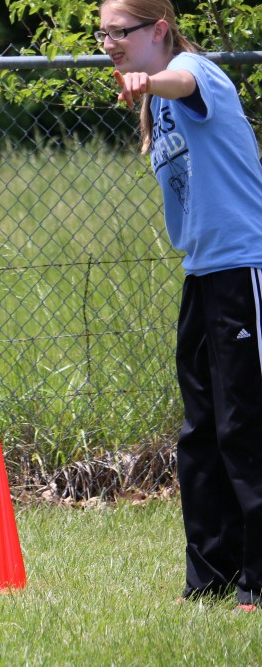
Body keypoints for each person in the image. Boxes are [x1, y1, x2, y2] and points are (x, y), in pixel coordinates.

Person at [102, 0, 262, 611]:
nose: (110, 44)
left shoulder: (196, 73)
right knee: (201, 432)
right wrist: (147, 90)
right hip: (202, 273)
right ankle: (210, 579)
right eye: (103, 34)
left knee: (244, 424)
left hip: (242, 267)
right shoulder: (157, 101)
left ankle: (256, 579)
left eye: (121, 32)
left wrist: (149, 82)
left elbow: (184, 80)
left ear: (159, 30)